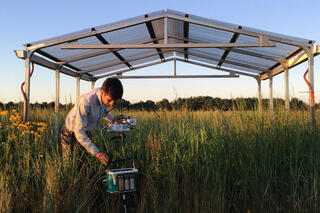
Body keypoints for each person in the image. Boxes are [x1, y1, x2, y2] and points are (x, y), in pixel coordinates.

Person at [60, 77, 123, 166]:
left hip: (85, 130)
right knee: (70, 164)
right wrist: (97, 153)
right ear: (102, 93)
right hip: (71, 132)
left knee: (84, 162)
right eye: (110, 100)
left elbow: (103, 111)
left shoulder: (104, 95)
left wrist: (112, 119)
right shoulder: (86, 102)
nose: (112, 104)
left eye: (114, 101)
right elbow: (79, 131)